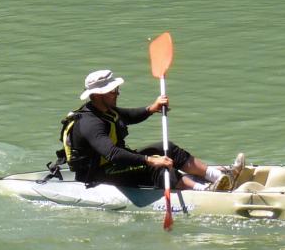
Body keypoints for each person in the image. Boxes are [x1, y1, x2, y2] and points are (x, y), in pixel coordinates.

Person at [59, 69, 245, 191]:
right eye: (112, 91)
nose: (117, 93)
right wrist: (149, 161)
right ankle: (204, 190)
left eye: (116, 89)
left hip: (116, 164)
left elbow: (129, 116)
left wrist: (152, 108)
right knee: (158, 167)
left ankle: (219, 176)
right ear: (97, 95)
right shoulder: (90, 123)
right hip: (98, 175)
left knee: (167, 148)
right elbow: (113, 154)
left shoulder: (105, 109)